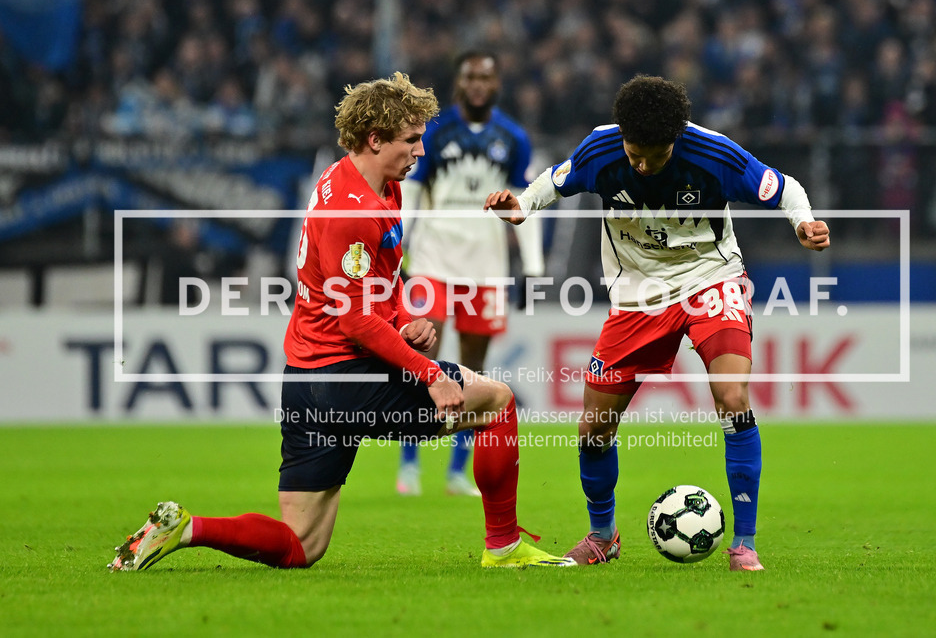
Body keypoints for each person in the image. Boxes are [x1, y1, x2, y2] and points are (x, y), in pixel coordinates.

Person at [109, 72, 574, 571]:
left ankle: (186, 527)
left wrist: (404, 315)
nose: (421, 150)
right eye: (411, 140)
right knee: (498, 402)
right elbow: (354, 321)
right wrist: (431, 373)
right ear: (375, 139)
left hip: (307, 379)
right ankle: (503, 549)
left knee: (301, 546)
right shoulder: (352, 212)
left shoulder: (362, 181)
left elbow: (377, 277)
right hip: (347, 375)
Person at [484, 75, 830, 571]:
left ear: (676, 138)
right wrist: (522, 206)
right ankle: (603, 536)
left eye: (654, 154)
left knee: (732, 398)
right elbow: (555, 180)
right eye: (633, 152)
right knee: (593, 429)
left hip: (711, 278)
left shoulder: (715, 156)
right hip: (638, 295)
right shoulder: (601, 150)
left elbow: (785, 188)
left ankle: (745, 544)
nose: (641, 163)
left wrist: (803, 223)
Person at [397, 49, 544, 497]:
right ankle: (409, 465)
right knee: (423, 361)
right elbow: (412, 191)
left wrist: (533, 266)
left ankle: (458, 471)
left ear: (497, 84)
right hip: (434, 260)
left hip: (486, 268)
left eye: (486, 76)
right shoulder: (435, 132)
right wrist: (396, 247)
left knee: (474, 370)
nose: (478, 84)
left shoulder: (514, 138)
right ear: (458, 84)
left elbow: (525, 202)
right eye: (470, 77)